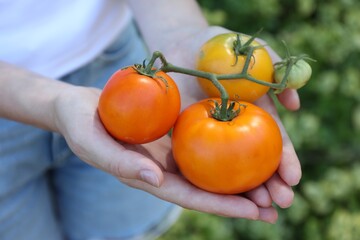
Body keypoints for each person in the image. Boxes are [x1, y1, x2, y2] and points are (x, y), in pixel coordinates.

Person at [0, 0, 302, 239]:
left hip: (116, 66)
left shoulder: (159, 89)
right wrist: (53, 103)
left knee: (115, 229)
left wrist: (182, 34)